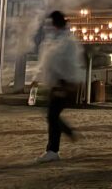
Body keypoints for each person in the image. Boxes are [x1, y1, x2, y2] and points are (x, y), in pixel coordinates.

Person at [34, 10, 82, 164]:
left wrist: (65, 83)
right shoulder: (53, 39)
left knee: (52, 115)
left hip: (63, 84)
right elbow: (46, 61)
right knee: (52, 115)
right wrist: (38, 77)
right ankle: (65, 135)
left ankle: (53, 150)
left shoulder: (67, 41)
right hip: (55, 83)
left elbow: (68, 63)